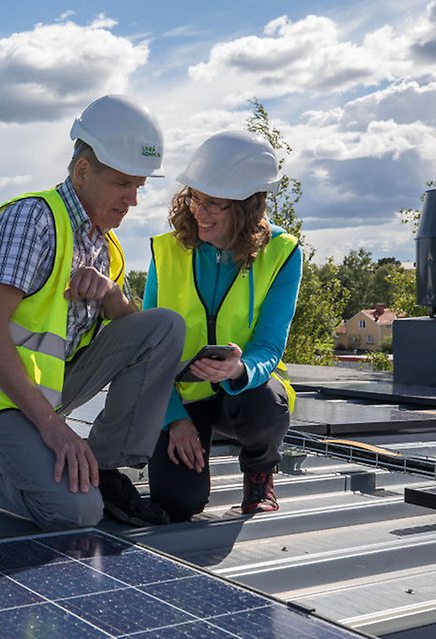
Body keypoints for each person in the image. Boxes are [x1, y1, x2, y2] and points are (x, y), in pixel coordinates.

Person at [0, 95, 185, 531]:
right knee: (75, 512)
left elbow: (136, 335)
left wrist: (112, 296)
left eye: (139, 186)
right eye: (122, 184)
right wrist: (54, 430)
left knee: (165, 325)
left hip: (45, 392)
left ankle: (106, 469)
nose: (133, 199)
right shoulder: (31, 220)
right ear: (82, 171)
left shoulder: (107, 247)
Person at [143, 130, 302, 522]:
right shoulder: (165, 252)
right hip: (181, 398)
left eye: (214, 203)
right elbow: (146, 351)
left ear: (248, 207)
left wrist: (241, 369)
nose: (199, 211)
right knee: (178, 504)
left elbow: (269, 345)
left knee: (266, 401)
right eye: (195, 197)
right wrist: (173, 419)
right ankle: (185, 437)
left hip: (243, 394)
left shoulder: (283, 253)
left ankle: (260, 472)